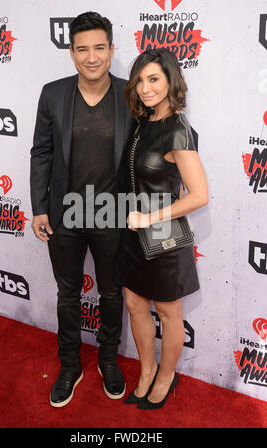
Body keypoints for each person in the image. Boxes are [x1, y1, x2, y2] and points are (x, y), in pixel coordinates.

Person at [30, 11, 134, 407]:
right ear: (71, 52)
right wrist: (40, 206)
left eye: (99, 48)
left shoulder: (131, 94)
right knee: (68, 293)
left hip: (112, 213)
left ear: (111, 49)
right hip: (64, 215)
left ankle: (108, 360)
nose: (92, 57)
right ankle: (69, 365)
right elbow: (42, 152)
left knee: (111, 293)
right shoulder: (52, 94)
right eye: (82, 49)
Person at [119, 48, 208, 410]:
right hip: (131, 234)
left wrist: (149, 218)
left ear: (171, 81)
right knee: (134, 304)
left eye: (153, 79)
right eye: (140, 80)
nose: (145, 87)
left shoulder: (177, 130)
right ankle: (146, 370)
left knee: (169, 313)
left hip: (163, 237)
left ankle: (167, 377)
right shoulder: (144, 122)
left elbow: (199, 195)